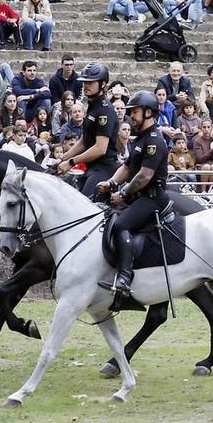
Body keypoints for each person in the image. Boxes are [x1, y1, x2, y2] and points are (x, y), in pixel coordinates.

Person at [97, 90, 170, 304]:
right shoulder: (140, 139)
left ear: (148, 113)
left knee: (120, 225)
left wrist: (123, 193)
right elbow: (128, 167)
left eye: (135, 112)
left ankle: (125, 279)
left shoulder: (154, 140)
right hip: (139, 196)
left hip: (152, 198)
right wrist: (111, 183)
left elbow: (144, 176)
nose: (132, 116)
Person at [49, 61, 120, 196]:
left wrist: (71, 162)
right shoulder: (92, 106)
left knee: (85, 206)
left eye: (90, 82)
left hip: (104, 169)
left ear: (102, 84)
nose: (85, 85)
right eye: (84, 82)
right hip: (92, 167)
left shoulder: (105, 110)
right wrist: (62, 158)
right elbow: (84, 141)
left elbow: (100, 148)